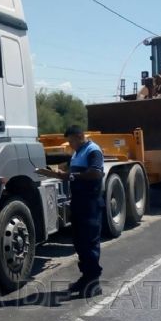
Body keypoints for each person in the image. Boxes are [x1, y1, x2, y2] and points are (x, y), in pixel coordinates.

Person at [37, 125, 104, 297]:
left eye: (72, 140)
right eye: (69, 141)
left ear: (80, 136)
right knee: (80, 241)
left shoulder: (93, 150)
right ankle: (86, 277)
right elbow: (70, 174)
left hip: (90, 203)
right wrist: (55, 174)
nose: (70, 144)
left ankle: (93, 283)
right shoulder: (77, 153)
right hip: (79, 202)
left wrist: (71, 176)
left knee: (89, 242)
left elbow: (96, 173)